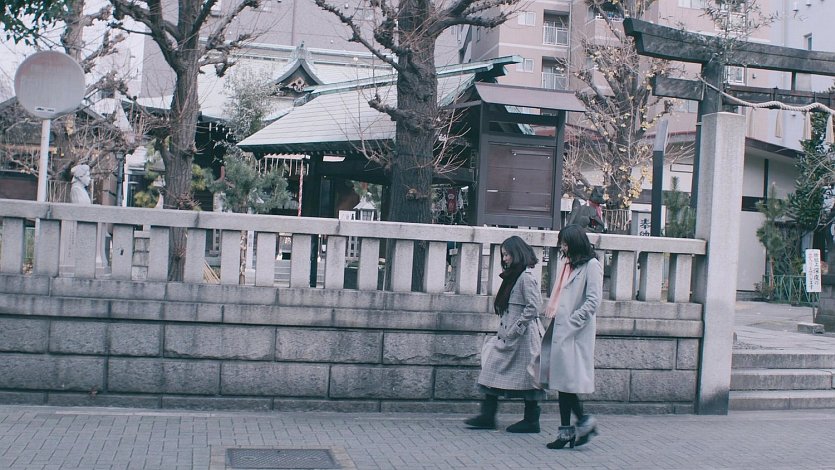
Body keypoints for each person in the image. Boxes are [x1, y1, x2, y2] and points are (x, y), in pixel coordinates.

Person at [465, 235, 545, 433]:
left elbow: (534, 306)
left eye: (508, 254)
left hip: (523, 338)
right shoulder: (513, 276)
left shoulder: (525, 277)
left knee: (529, 379)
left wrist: (516, 328)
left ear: (517, 254)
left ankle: (531, 420)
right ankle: (488, 416)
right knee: (491, 370)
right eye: (503, 255)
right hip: (510, 337)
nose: (505, 259)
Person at [540, 224, 603, 449]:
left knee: (566, 383)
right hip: (562, 330)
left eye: (565, 243)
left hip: (575, 333)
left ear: (575, 243)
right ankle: (573, 428)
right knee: (562, 384)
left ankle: (581, 425)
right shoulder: (570, 265)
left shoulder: (591, 266)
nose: (562, 247)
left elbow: (593, 300)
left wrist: (572, 321)